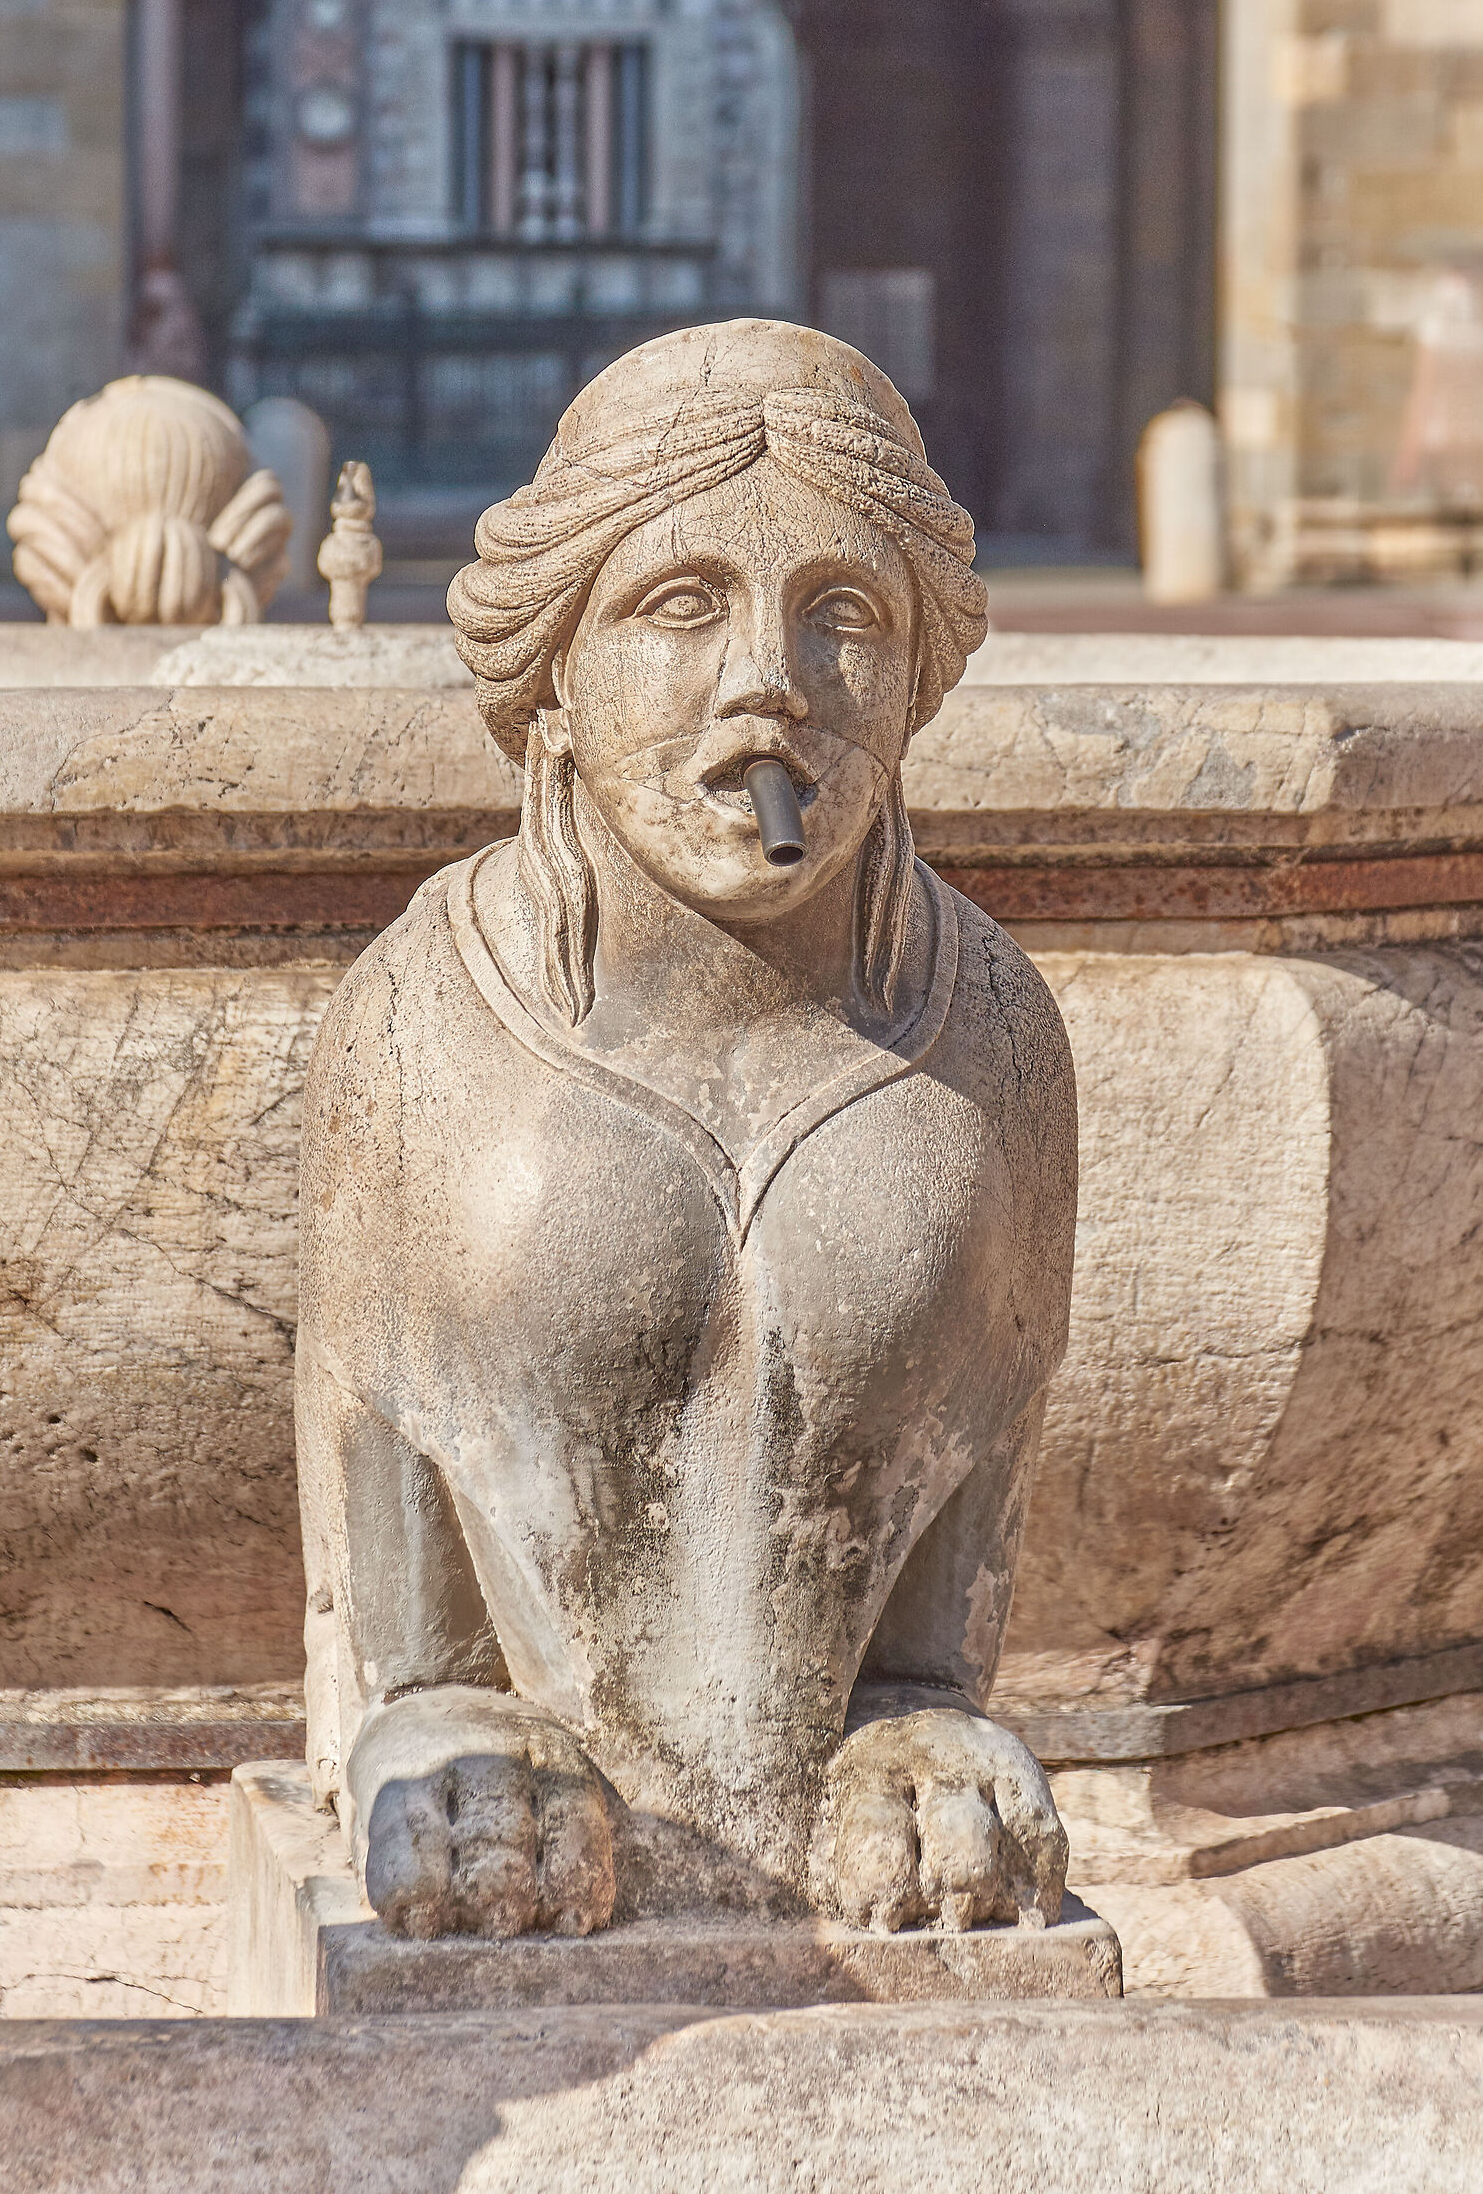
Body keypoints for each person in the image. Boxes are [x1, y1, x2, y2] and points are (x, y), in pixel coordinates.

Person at [297, 319, 1077, 1941]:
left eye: (842, 615)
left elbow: (962, 1550)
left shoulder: (993, 1034)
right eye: (681, 603)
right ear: (560, 670)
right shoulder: (417, 1026)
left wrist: (926, 1710)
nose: (768, 684)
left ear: (918, 676)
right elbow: (375, 1590)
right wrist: (424, 1719)